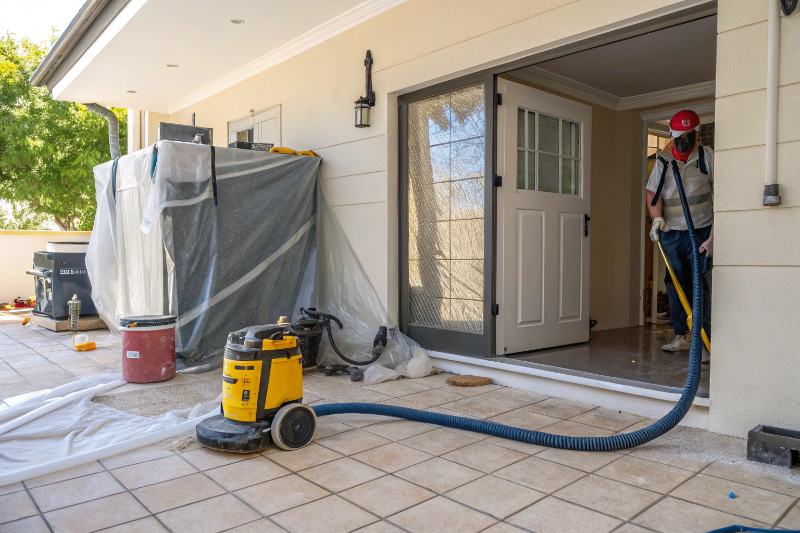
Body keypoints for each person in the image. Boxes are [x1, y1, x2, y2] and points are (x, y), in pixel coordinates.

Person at [646, 110, 713, 353]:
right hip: (672, 231)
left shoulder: (707, 157)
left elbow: (723, 194)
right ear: (673, 136)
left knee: (701, 282)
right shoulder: (664, 159)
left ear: (696, 134)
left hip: (701, 228)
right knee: (675, 282)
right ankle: (682, 335)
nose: (683, 142)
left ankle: (704, 341)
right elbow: (653, 192)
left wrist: (714, 235)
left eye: (689, 136)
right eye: (679, 137)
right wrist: (657, 219)